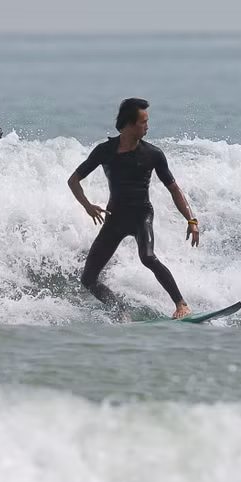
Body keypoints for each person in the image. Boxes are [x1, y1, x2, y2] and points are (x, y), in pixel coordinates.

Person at [67, 98, 199, 319]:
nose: (147, 126)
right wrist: (87, 205)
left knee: (147, 257)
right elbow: (73, 180)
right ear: (128, 124)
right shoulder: (104, 151)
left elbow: (174, 189)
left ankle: (181, 304)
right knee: (88, 279)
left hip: (141, 215)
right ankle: (120, 310)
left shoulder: (153, 154)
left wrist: (191, 220)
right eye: (143, 122)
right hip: (115, 218)